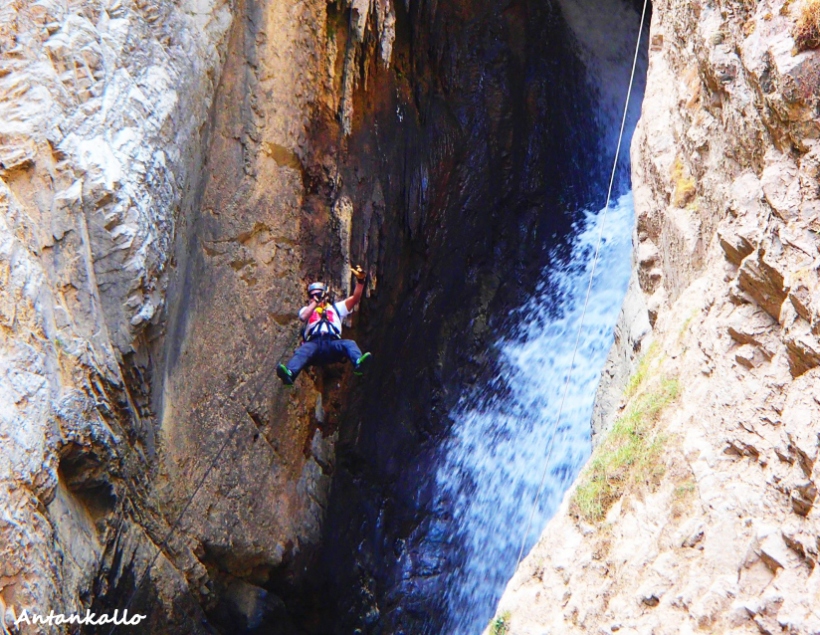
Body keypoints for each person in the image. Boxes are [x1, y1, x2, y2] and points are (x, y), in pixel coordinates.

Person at [276, 266, 372, 386]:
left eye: (318, 294)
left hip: (332, 344)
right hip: (314, 345)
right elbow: (303, 317)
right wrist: (315, 303)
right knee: (303, 350)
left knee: (349, 344)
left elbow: (355, 299)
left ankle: (358, 363)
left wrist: (360, 281)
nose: (314, 297)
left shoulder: (336, 309)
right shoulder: (308, 310)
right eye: (312, 295)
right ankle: (290, 373)